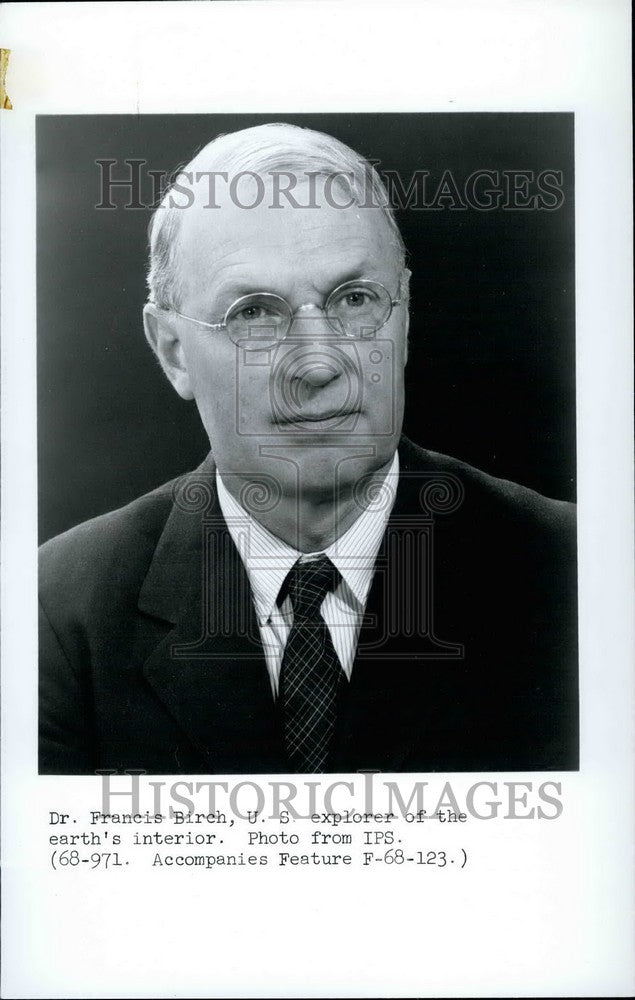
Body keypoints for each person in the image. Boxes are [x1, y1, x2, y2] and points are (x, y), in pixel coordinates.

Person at [39, 123, 578, 775]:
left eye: (354, 300)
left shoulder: (576, 574)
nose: (318, 365)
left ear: (403, 313)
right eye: (255, 314)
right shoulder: (58, 612)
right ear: (171, 350)